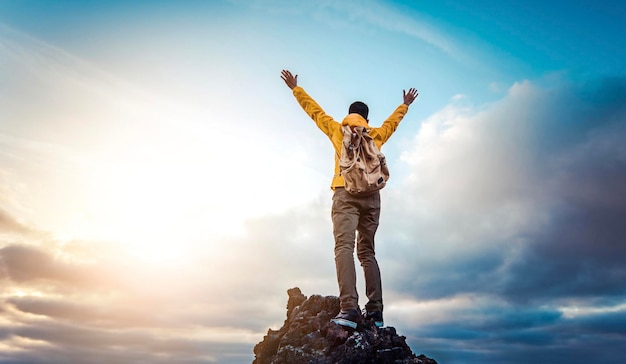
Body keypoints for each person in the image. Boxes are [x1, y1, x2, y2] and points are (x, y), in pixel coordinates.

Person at [280, 69, 418, 329]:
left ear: (349, 113)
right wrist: (405, 105)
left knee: (343, 248)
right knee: (367, 252)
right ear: (367, 117)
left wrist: (295, 88)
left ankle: (349, 310)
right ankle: (375, 313)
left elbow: (314, 112)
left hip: (345, 193)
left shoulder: (337, 129)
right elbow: (392, 124)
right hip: (372, 196)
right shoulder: (375, 135)